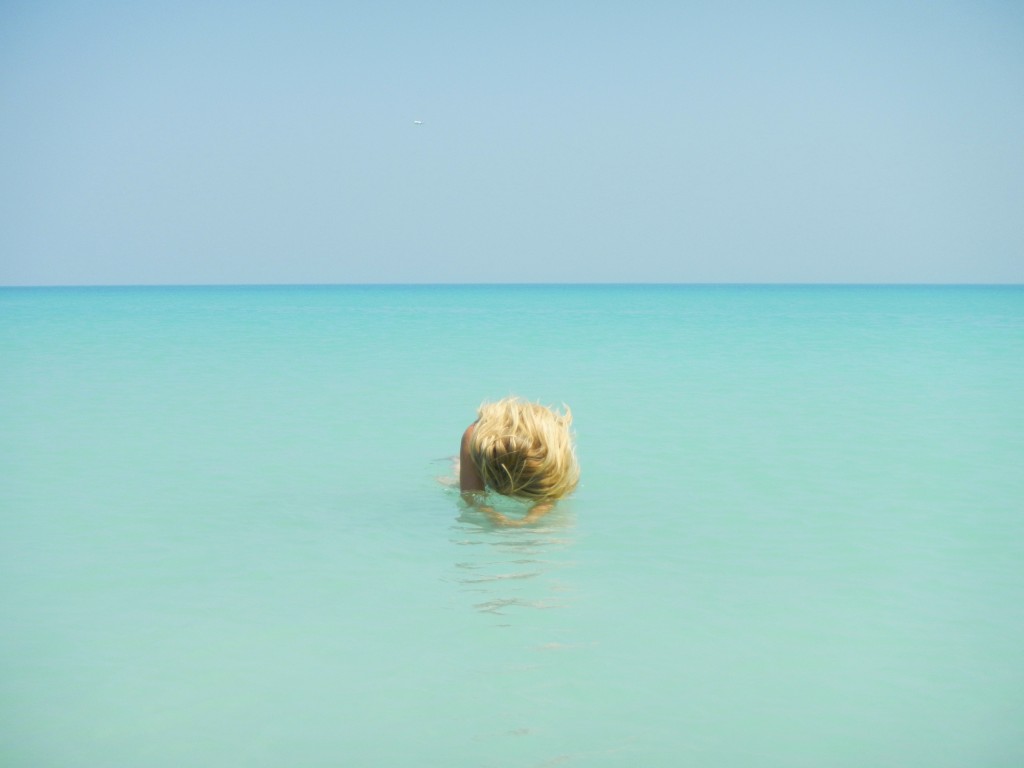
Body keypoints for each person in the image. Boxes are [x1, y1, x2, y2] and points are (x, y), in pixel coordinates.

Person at [460, 397, 580, 526]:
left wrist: (531, 519)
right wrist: (494, 517)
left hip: (530, 447)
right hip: (489, 445)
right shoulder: (474, 434)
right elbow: (470, 493)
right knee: (455, 471)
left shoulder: (553, 449)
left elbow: (551, 492)